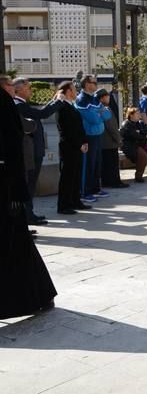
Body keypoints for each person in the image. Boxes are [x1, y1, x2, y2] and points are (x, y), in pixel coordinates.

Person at [0, 75, 57, 319]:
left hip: (5, 186)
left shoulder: (4, 104)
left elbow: (11, 146)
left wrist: (16, 189)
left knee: (16, 244)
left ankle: (38, 296)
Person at [13, 77, 63, 225]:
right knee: (29, 184)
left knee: (31, 184)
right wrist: (58, 101)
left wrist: (53, 101)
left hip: (34, 150)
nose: (31, 90)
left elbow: (40, 112)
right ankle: (28, 216)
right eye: (28, 87)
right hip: (30, 152)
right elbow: (42, 114)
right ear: (18, 89)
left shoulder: (22, 104)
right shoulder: (18, 105)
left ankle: (30, 213)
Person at [55, 81, 91, 215]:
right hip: (69, 147)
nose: (76, 91)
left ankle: (75, 201)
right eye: (74, 89)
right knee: (67, 177)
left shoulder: (71, 105)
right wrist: (79, 144)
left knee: (76, 176)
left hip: (78, 146)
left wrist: (85, 141)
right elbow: (67, 130)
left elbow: (79, 127)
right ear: (68, 91)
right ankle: (64, 205)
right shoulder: (62, 107)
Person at [75, 74, 111, 203]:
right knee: (88, 165)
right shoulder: (81, 99)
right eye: (93, 82)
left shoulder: (95, 99)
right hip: (88, 136)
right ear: (86, 84)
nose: (96, 85)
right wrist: (99, 113)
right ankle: (84, 192)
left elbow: (108, 114)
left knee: (96, 164)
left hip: (97, 135)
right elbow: (93, 119)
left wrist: (99, 114)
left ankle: (95, 189)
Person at [96, 89, 128, 189]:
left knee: (106, 164)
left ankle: (107, 182)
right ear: (102, 98)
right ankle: (114, 182)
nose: (109, 98)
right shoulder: (105, 109)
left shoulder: (97, 108)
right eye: (107, 96)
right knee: (112, 164)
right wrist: (118, 139)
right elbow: (112, 127)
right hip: (110, 141)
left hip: (103, 142)